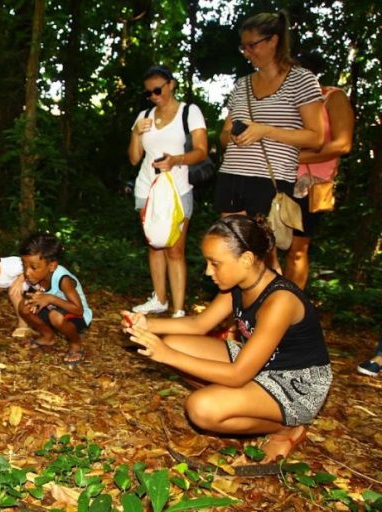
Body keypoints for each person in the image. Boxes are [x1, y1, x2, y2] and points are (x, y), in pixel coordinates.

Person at [122, 215, 332, 463]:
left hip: (297, 382)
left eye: (215, 263)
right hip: (258, 363)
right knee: (173, 342)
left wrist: (167, 356)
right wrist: (146, 323)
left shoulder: (279, 301)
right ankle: (239, 407)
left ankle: (284, 429)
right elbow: (199, 324)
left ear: (246, 259)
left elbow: (238, 374)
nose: (208, 271)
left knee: (201, 408)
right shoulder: (238, 285)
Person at [215, 11, 324, 272]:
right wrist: (234, 135)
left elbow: (316, 136)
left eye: (252, 45)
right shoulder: (241, 85)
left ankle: (272, 311)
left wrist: (264, 131)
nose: (246, 52)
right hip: (232, 175)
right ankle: (243, 311)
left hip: (270, 180)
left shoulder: (302, 80)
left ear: (273, 41)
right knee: (234, 252)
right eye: (243, 46)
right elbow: (223, 135)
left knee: (264, 256)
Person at [128, 65, 210, 318]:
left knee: (175, 249)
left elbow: (201, 150)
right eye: (149, 93)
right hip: (147, 188)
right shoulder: (144, 116)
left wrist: (176, 160)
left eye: (157, 89)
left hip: (177, 188)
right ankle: (159, 299)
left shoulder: (189, 112)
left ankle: (178, 308)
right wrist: (135, 133)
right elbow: (134, 159)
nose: (153, 96)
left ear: (171, 84)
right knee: (154, 245)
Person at [285, 86, 354, 289]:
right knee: (263, 246)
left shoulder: (331, 97)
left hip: (308, 183)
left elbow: (342, 145)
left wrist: (290, 157)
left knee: (297, 250)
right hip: (273, 177)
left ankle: (292, 310)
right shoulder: (280, 96)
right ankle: (263, 309)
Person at [18, 233, 92, 366]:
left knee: (55, 316)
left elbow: (78, 310)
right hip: (54, 309)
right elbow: (37, 295)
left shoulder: (63, 279)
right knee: (24, 306)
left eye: (33, 267)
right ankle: (48, 337)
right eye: (24, 266)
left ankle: (76, 345)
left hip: (77, 315)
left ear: (51, 266)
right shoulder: (35, 277)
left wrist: (50, 298)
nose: (27, 272)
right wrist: (35, 299)